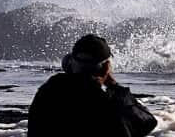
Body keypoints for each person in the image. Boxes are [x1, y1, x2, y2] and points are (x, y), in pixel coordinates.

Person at [28, 34, 157, 137]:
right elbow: (147, 123)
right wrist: (114, 85)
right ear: (106, 67)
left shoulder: (47, 91)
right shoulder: (109, 103)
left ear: (71, 62)